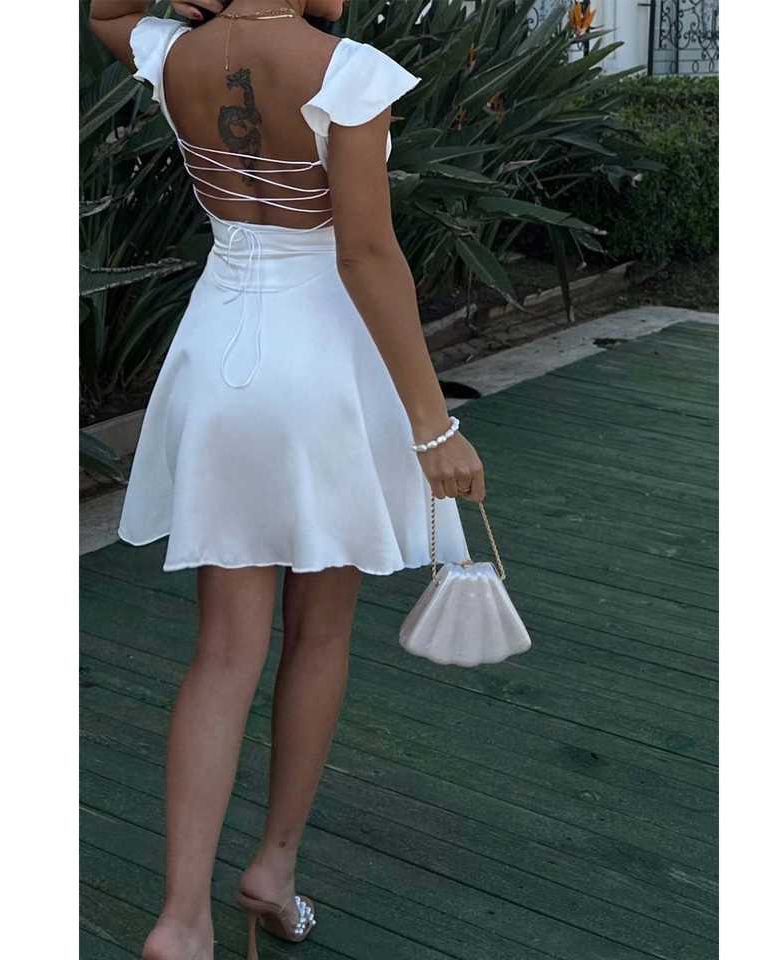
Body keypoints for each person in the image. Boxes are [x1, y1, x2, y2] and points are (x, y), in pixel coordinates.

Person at [87, 2, 486, 958]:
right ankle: (273, 867)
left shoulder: (176, 55)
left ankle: (181, 920)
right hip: (323, 366)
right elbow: (366, 253)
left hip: (218, 353)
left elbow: (104, 9)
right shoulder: (347, 70)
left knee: (224, 652)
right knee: (319, 635)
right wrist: (434, 427)